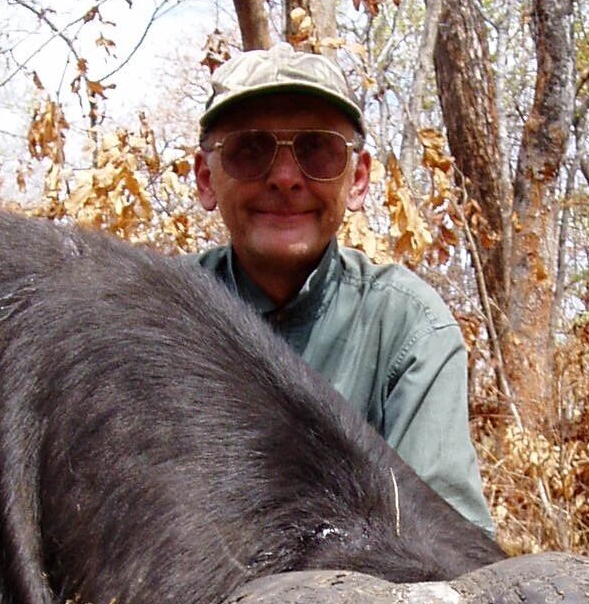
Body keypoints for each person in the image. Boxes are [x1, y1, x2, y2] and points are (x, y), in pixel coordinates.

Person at [190, 46, 495, 534]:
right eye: (250, 150)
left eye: (317, 150)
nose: (286, 178)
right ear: (206, 178)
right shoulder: (162, 316)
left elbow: (449, 549)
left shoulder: (409, 329)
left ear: (357, 180)